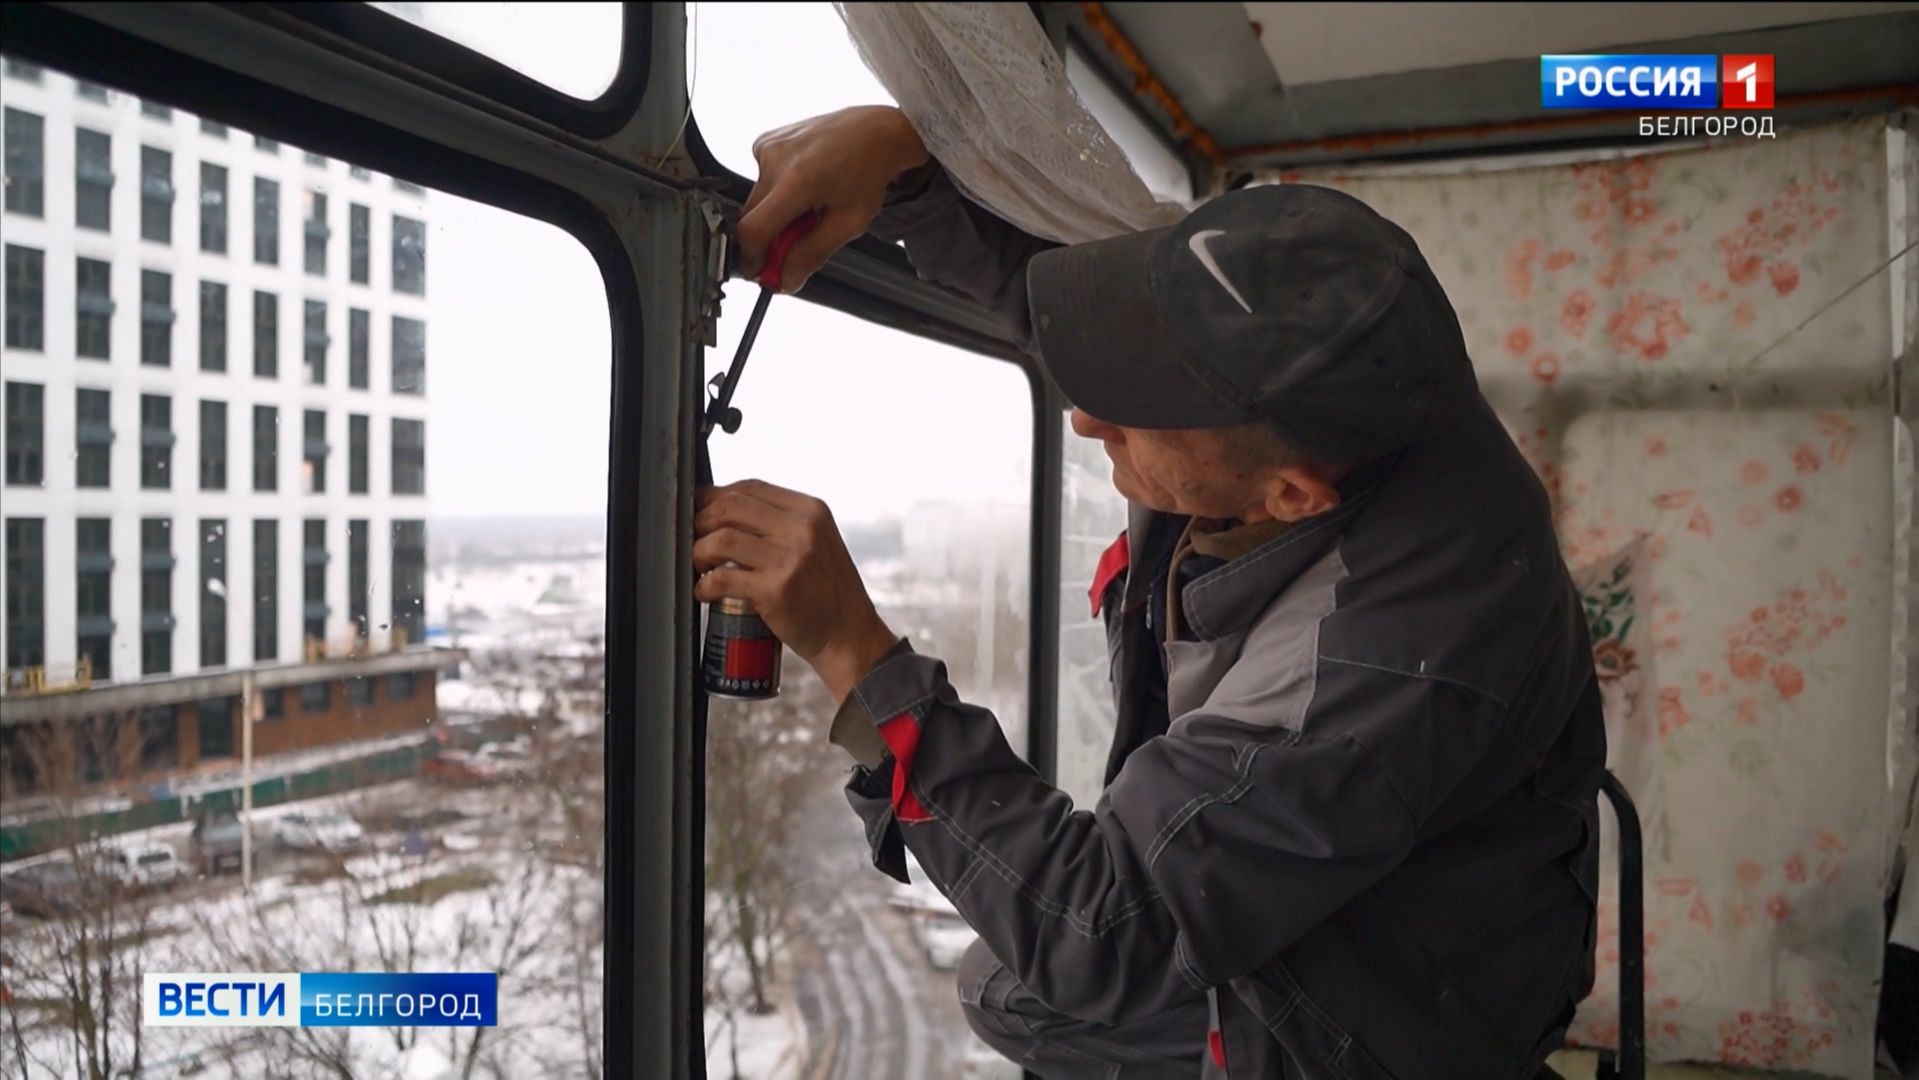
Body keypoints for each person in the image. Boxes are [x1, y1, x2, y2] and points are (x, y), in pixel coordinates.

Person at [693, 105, 1604, 1079]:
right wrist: (906, 171)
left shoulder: (1372, 659)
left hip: (1392, 1015)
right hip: (1363, 884)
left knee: (1043, 975)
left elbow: (1106, 931)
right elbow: (1119, 327)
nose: (1086, 420)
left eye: (1137, 415)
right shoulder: (1367, 374)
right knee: (1006, 986)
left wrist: (853, 651)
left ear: (1290, 496)